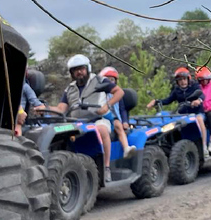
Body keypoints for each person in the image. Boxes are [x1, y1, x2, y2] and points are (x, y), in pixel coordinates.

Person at [54, 54, 132, 182]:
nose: (79, 72)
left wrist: (107, 106)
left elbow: (119, 92)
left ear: (87, 68)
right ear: (72, 73)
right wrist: (43, 108)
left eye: (81, 68)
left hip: (98, 119)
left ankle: (106, 168)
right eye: (75, 70)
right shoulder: (69, 89)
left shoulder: (99, 80)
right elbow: (61, 109)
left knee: (100, 129)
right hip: (77, 123)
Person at [146, 67, 207, 155]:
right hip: (183, 115)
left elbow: (202, 95)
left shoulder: (195, 86)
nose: (182, 81)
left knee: (199, 119)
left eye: (184, 79)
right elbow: (168, 100)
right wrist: (156, 101)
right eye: (180, 80)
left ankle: (204, 146)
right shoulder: (177, 90)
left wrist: (198, 101)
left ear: (188, 79)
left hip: (196, 113)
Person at [98, 67, 138, 159]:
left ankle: (126, 148)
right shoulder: (99, 93)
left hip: (113, 117)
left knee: (117, 124)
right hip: (100, 117)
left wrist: (124, 121)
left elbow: (122, 109)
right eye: (107, 79)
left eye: (112, 80)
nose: (110, 82)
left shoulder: (117, 94)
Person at [14, 72, 44, 136]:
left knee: (19, 120)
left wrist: (40, 107)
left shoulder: (25, 86)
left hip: (17, 120)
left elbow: (38, 104)